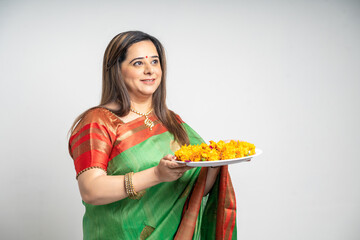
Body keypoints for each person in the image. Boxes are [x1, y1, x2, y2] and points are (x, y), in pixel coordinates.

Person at [68, 31, 237, 239]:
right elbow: (91, 190)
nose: (150, 70)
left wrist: (217, 159)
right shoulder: (99, 121)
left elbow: (195, 189)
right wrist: (157, 175)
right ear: (117, 71)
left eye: (155, 62)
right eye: (138, 63)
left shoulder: (171, 121)